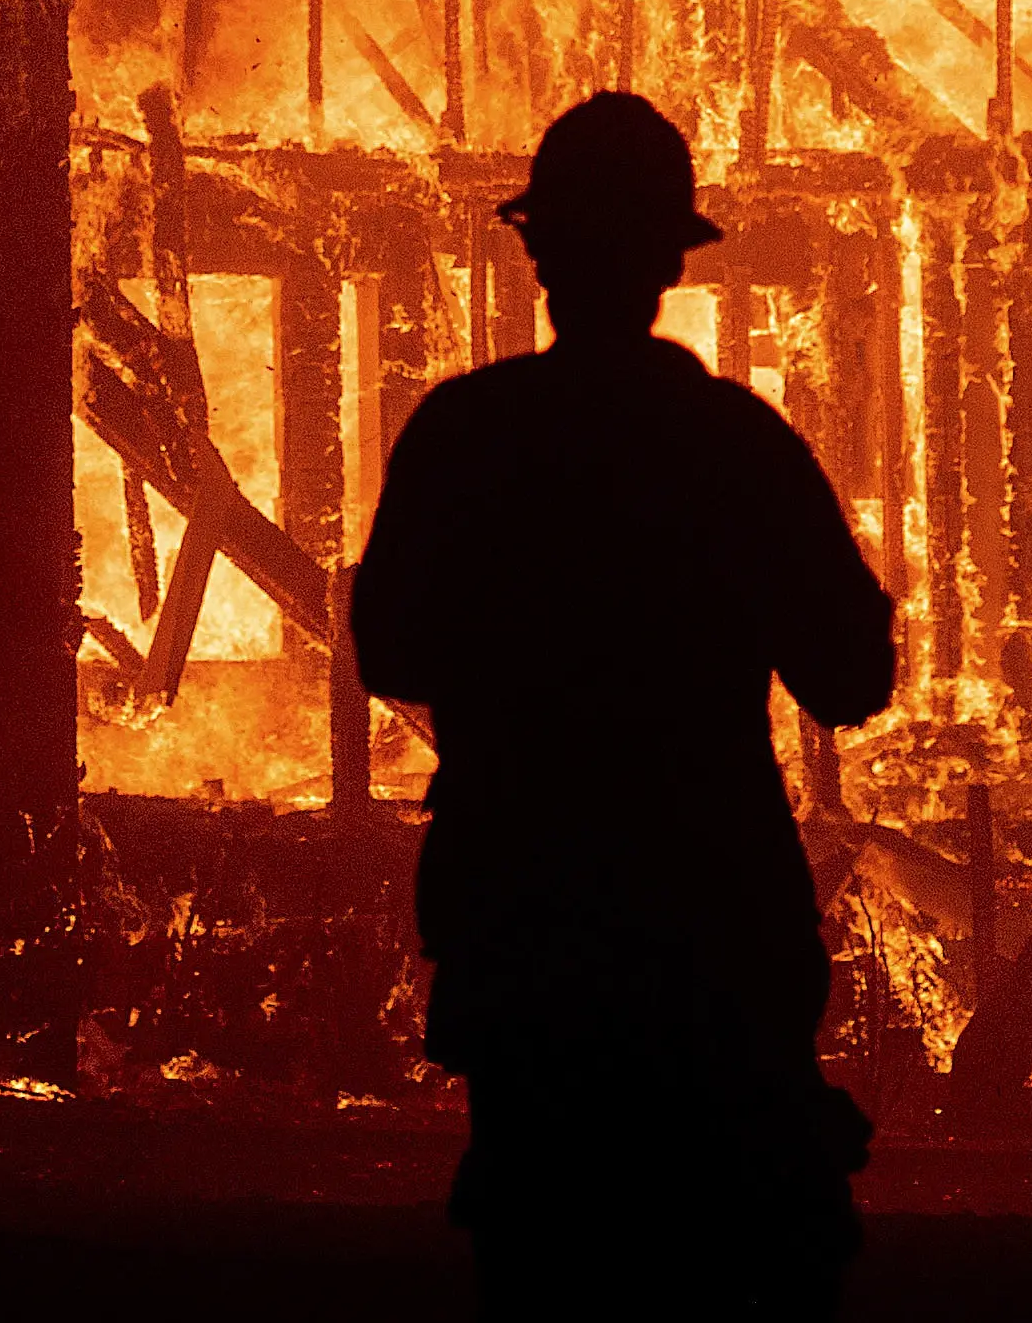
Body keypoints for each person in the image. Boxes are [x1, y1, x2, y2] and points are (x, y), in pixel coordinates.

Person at [355, 92, 898, 1320]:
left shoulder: (463, 435)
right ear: (670, 259)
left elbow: (388, 647)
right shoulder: (739, 449)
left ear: (537, 252)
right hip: (713, 932)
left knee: (550, 1265)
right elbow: (853, 679)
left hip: (528, 934)